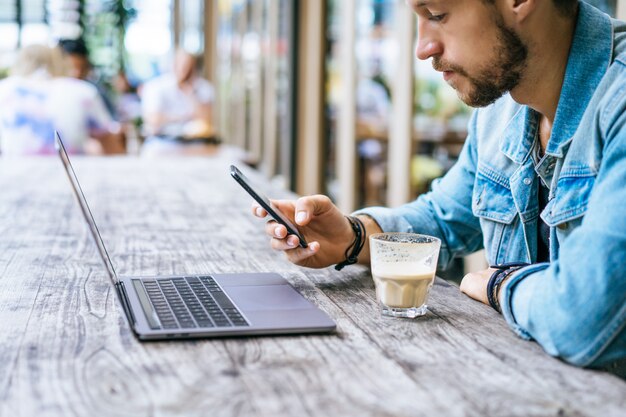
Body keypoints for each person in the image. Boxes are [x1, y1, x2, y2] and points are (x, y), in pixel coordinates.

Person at [252, 0, 626, 375]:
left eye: (436, 16)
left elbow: (585, 317)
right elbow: (445, 218)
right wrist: (354, 237)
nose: (422, 48)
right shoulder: (504, 107)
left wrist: (500, 284)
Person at [0, 45, 123, 156]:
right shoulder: (82, 90)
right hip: (73, 176)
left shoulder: (4, 89)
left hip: (14, 175)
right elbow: (111, 146)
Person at [140, 49, 216, 155]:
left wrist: (190, 94)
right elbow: (153, 119)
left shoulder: (204, 88)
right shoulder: (156, 87)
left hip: (196, 144)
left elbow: (206, 120)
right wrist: (184, 117)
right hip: (162, 144)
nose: (184, 69)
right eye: (180, 65)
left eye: (189, 66)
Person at [58, 38, 117, 119]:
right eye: (71, 68)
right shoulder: (51, 95)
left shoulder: (94, 92)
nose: (77, 73)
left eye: (82, 68)